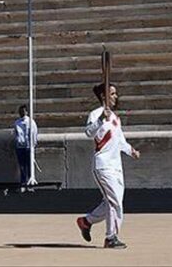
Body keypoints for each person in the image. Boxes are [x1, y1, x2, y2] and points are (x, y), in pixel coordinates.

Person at [76, 83, 140, 249]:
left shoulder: (115, 118)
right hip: (103, 165)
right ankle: (111, 237)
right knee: (115, 202)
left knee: (111, 202)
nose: (115, 97)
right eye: (112, 94)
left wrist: (131, 151)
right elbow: (88, 132)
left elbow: (120, 141)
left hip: (116, 166)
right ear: (104, 96)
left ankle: (86, 221)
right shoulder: (96, 114)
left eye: (115, 93)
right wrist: (99, 121)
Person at [13, 105, 38, 190]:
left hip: (28, 147)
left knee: (29, 166)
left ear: (26, 112)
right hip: (20, 147)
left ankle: (30, 184)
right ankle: (23, 184)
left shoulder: (31, 122)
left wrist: (33, 145)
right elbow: (15, 134)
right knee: (22, 166)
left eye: (23, 111)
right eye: (20, 111)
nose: (21, 113)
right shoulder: (17, 123)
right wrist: (17, 142)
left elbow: (34, 133)